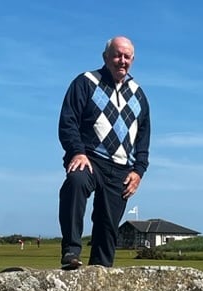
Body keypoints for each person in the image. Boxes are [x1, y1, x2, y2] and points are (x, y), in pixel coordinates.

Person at [57, 35, 151, 269]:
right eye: (117, 55)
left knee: (108, 225)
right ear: (105, 57)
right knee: (76, 184)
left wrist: (138, 171)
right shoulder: (86, 82)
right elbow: (68, 122)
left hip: (121, 169)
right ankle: (71, 251)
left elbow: (143, 139)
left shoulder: (138, 94)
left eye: (127, 56)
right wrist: (77, 152)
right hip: (89, 158)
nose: (122, 60)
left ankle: (101, 269)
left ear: (133, 59)